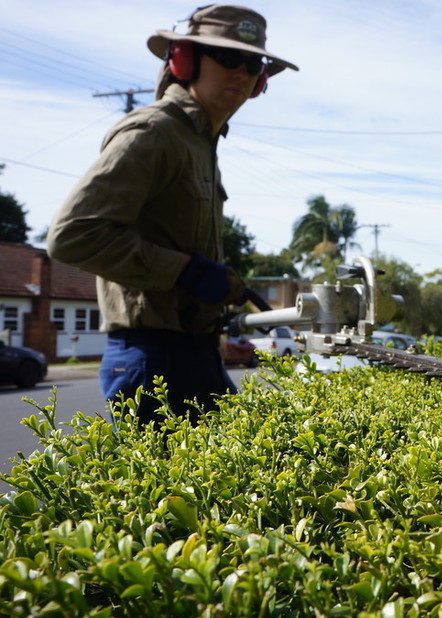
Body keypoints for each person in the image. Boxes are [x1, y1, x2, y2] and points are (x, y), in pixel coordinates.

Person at [47, 5, 298, 428]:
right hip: (152, 356)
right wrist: (185, 271)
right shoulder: (155, 131)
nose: (242, 71)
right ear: (185, 59)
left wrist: (218, 280)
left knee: (227, 482)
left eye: (253, 63)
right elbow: (72, 235)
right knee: (171, 494)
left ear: (262, 81)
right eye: (228, 57)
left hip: (194, 350)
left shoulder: (201, 142)